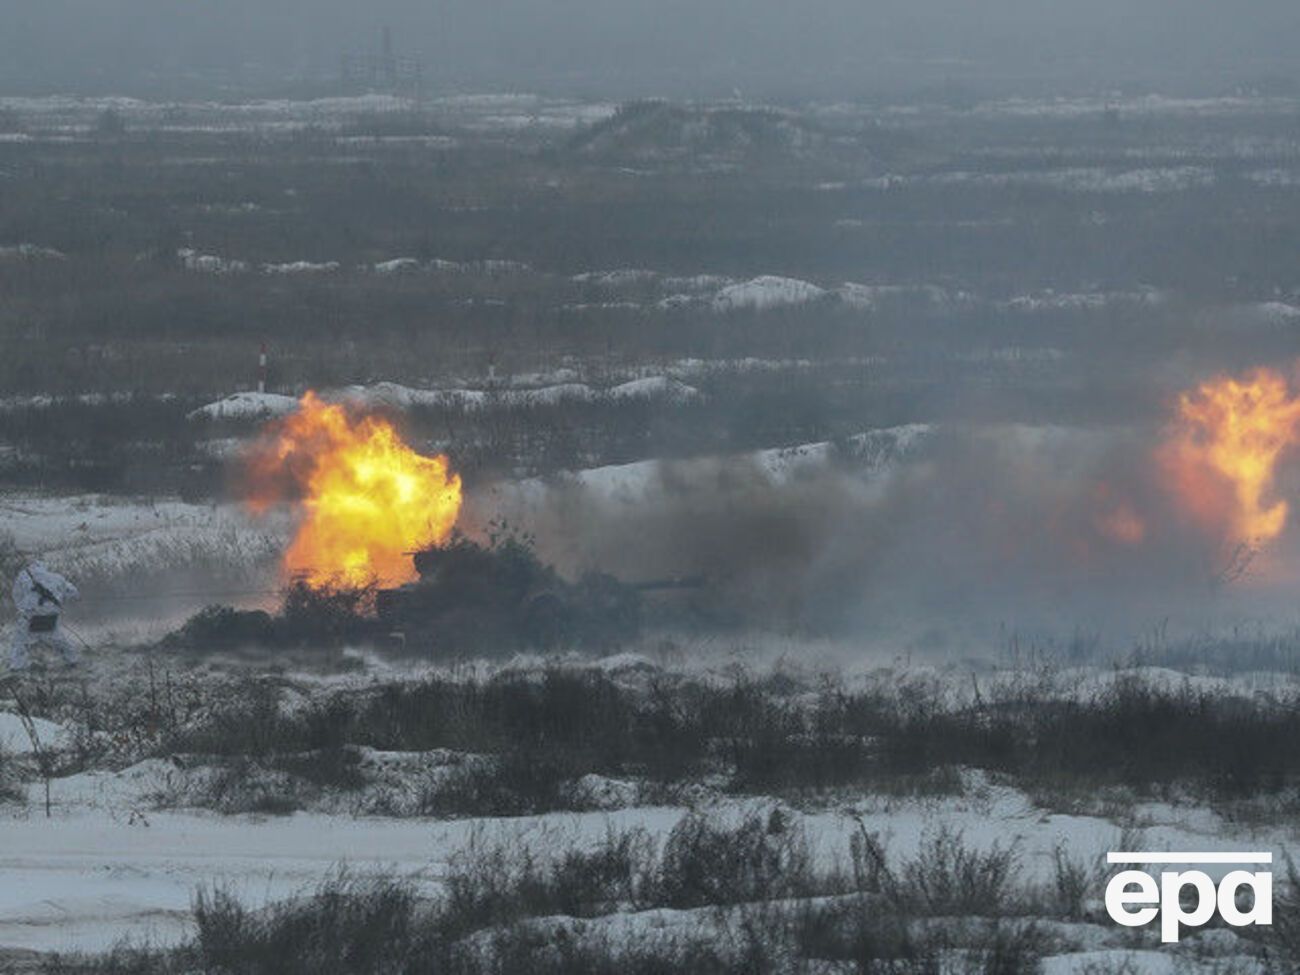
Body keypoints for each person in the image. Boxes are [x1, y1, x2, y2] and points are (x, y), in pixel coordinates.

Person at [9, 562, 80, 671]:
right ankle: (73, 660)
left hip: (31, 615)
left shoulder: (23, 577)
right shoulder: (57, 578)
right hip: (51, 615)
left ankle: (17, 667)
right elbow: (74, 593)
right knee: (58, 639)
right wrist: (59, 599)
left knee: (19, 641)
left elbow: (16, 595)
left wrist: (22, 608)